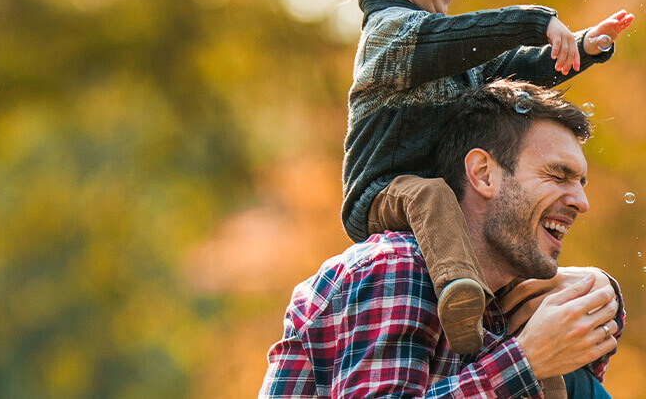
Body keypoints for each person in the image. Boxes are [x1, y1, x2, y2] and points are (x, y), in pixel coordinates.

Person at [317, 0, 637, 360]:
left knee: (518, 287)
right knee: (434, 194)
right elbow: (460, 37)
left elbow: (512, 66)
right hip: (382, 191)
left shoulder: (446, 51)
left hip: (436, 206)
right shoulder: (391, 36)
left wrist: (583, 47)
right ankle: (462, 299)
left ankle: (531, 358)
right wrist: (535, 19)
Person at [263, 81, 623, 398]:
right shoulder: (397, 266)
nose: (582, 202)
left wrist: (598, 297)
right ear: (483, 174)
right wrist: (525, 361)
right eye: (559, 175)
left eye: (580, 183)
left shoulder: (499, 309)